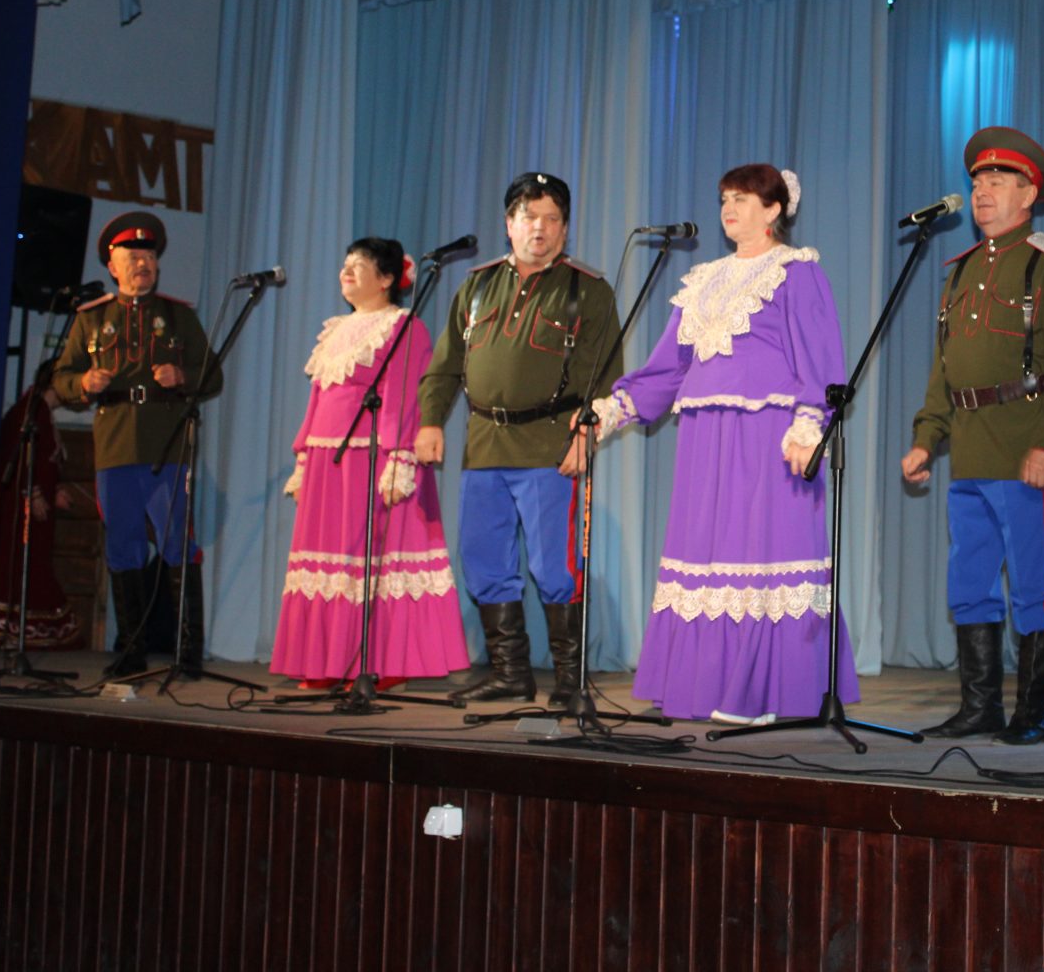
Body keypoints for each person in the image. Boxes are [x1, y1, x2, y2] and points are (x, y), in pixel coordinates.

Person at [593, 164, 855, 724]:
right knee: (708, 555)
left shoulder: (796, 271)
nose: (729, 209)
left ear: (774, 209)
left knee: (761, 555)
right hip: (705, 441)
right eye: (724, 200)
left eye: (742, 199)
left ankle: (759, 693)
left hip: (768, 438)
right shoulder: (703, 278)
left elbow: (820, 358)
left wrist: (809, 427)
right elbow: (669, 367)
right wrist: (614, 410)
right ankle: (707, 685)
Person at [902, 127, 1044, 746]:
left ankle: (1032, 714)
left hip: (1026, 449)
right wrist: (926, 438)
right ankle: (978, 706)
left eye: (998, 181)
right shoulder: (960, 271)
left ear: (1029, 194)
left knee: (1038, 586)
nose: (982, 191)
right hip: (970, 453)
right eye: (978, 181)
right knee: (970, 584)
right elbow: (945, 371)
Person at [417, 173, 623, 707]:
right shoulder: (477, 286)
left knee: (555, 566)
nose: (541, 228)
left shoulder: (587, 290)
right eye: (530, 217)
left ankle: (570, 681)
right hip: (484, 444)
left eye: (553, 219)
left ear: (565, 229)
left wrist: (587, 435)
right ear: (509, 224)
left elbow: (606, 377)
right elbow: (445, 365)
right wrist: (431, 421)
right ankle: (511, 673)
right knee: (484, 559)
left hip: (551, 447)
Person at [270, 238, 470, 688]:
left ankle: (383, 662)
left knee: (374, 558)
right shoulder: (335, 329)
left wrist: (399, 458)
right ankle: (326, 663)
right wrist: (303, 456)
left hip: (374, 458)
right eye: (346, 264)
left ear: (386, 279)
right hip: (329, 460)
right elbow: (318, 399)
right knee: (331, 561)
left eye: (359, 265)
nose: (347, 271)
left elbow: (404, 395)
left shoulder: (404, 326)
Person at [52, 211, 221, 676]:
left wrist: (182, 376)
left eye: (148, 256)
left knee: (176, 543)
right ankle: (131, 649)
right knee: (123, 545)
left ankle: (188, 652)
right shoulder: (92, 319)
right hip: (115, 444)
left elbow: (213, 375)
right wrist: (83, 382)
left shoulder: (178, 316)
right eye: (133, 257)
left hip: (165, 444)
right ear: (113, 266)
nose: (143, 263)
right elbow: (61, 378)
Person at [0, 362, 81, 649]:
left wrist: (55, 490)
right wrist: (35, 493)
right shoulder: (29, 413)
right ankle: (11, 628)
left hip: (39, 510)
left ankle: (28, 628)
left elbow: (44, 462)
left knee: (36, 563)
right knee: (22, 564)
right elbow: (20, 458)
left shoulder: (43, 414)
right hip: (22, 510)